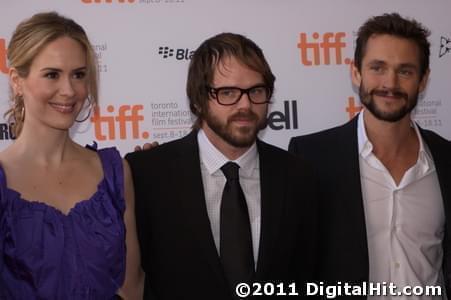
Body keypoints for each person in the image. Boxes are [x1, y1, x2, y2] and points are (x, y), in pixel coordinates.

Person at [126, 32, 318, 300]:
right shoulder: (145, 175)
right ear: (197, 100)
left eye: (256, 91)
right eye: (227, 93)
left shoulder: (298, 176)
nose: (245, 105)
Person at [289, 13, 451, 299]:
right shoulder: (311, 157)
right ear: (356, 73)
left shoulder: (447, 159)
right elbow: (298, 264)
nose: (390, 83)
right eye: (378, 67)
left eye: (405, 71)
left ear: (423, 80)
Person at [0, 12, 143, 299]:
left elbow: (132, 288)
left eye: (78, 74)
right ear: (17, 80)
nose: (69, 90)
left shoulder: (115, 173)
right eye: (52, 74)